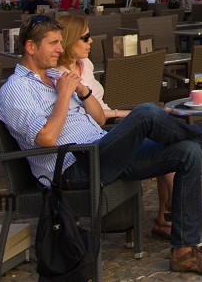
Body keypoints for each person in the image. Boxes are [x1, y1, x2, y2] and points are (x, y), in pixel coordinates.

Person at [0, 15, 202, 276]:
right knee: (146, 113)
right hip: (73, 168)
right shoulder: (16, 90)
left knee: (186, 153)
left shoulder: (55, 76)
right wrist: (64, 95)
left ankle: (184, 252)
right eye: (53, 43)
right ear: (31, 47)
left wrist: (81, 91)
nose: (59, 48)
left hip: (100, 149)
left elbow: (99, 118)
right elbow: (46, 139)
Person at [56, 14, 177, 239]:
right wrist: (128, 114)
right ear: (69, 40)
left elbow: (100, 109)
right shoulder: (59, 77)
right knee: (156, 122)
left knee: (163, 134)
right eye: (86, 38)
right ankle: (172, 203)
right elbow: (90, 116)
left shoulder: (86, 65)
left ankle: (165, 213)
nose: (91, 41)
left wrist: (125, 113)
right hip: (94, 138)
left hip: (105, 123)